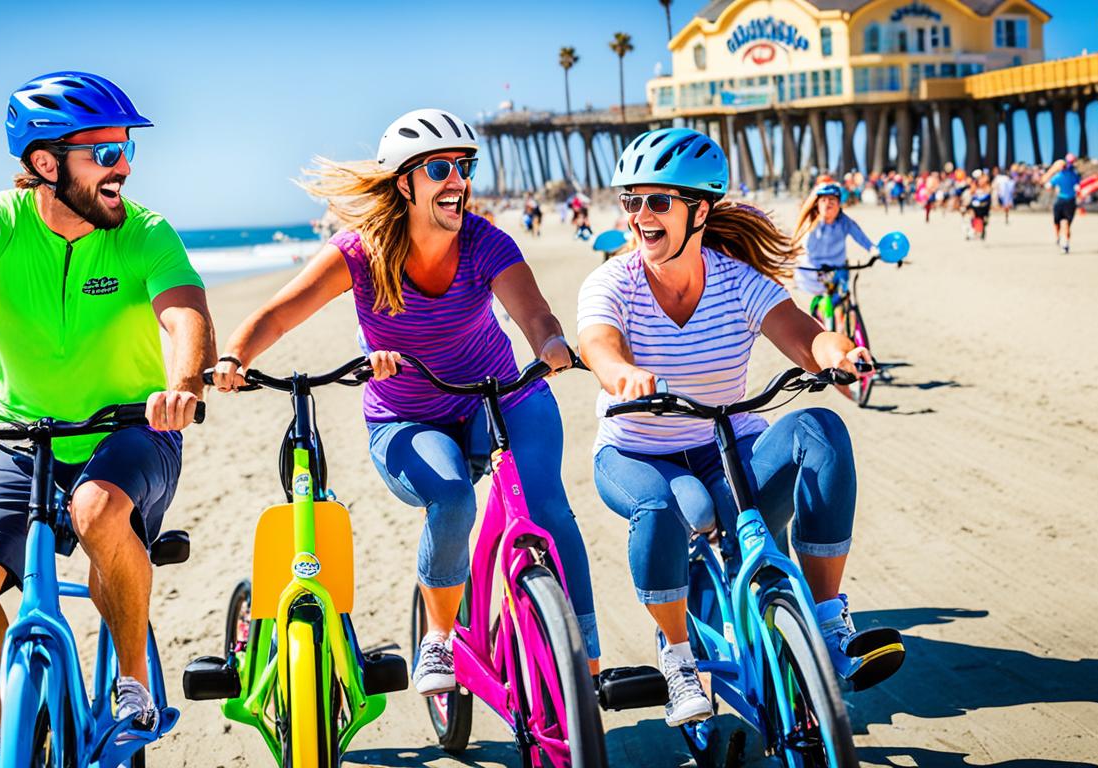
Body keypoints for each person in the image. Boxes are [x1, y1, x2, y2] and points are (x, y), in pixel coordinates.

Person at [0, 71, 213, 768]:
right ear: (45, 162)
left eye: (126, 149)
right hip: (16, 439)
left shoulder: (144, 232)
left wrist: (181, 387)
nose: (122, 166)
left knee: (96, 511)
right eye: (104, 151)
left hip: (133, 430)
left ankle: (133, 681)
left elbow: (186, 316)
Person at [210, 108, 600, 695]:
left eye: (464, 166)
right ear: (404, 183)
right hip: (406, 417)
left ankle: (585, 660)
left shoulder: (483, 241)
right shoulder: (360, 253)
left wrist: (549, 345)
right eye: (439, 168)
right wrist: (235, 357)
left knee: (546, 505)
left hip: (496, 398)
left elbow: (534, 314)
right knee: (449, 498)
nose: (457, 180)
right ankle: (439, 639)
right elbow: (278, 314)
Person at [577, 128, 904, 727]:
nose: (639, 215)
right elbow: (598, 343)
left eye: (657, 201)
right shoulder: (612, 283)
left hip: (726, 445)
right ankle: (677, 657)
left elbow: (803, 333)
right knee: (666, 509)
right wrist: (621, 373)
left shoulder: (736, 281)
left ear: (700, 210)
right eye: (631, 200)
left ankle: (830, 625)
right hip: (637, 453)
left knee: (821, 430)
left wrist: (837, 351)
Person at [792, 182, 876, 334]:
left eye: (832, 200)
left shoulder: (844, 222)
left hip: (838, 270)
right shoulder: (811, 222)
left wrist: (874, 250)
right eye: (823, 200)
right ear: (817, 204)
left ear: (839, 204)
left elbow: (861, 237)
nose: (827, 204)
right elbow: (796, 239)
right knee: (817, 310)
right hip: (813, 272)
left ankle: (843, 331)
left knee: (843, 304)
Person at [1044, 154, 1081, 254]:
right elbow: (1078, 188)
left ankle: (1060, 240)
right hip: (1070, 201)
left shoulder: (1061, 175)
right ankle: (1064, 243)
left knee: (1059, 222)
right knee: (1065, 224)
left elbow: (1047, 185)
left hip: (1062, 200)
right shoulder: (1074, 174)